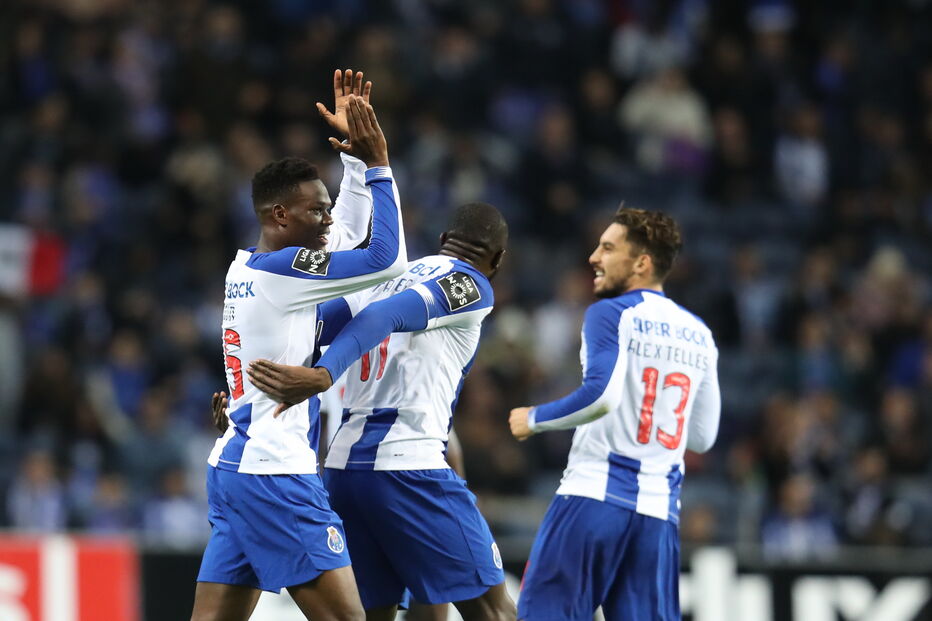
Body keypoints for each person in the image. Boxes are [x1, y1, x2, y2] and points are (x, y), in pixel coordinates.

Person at [218, 202, 516, 621]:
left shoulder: (390, 278)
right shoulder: (471, 283)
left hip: (345, 473)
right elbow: (386, 316)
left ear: (442, 242)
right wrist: (323, 375)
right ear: (498, 259)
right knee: (496, 611)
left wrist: (242, 397)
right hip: (410, 468)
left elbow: (303, 328)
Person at [191, 73, 407, 621]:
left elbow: (347, 241)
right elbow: (383, 258)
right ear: (279, 215)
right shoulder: (286, 272)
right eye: (316, 211)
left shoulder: (249, 266)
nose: (327, 220)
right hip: (274, 476)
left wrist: (353, 164)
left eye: (328, 207)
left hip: (235, 466)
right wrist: (379, 162)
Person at [508, 207, 721, 621]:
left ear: (641, 262)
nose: (593, 257)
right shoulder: (700, 333)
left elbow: (600, 396)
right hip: (658, 517)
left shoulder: (610, 312)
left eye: (607, 248)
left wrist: (533, 418)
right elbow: (702, 438)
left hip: (593, 500)